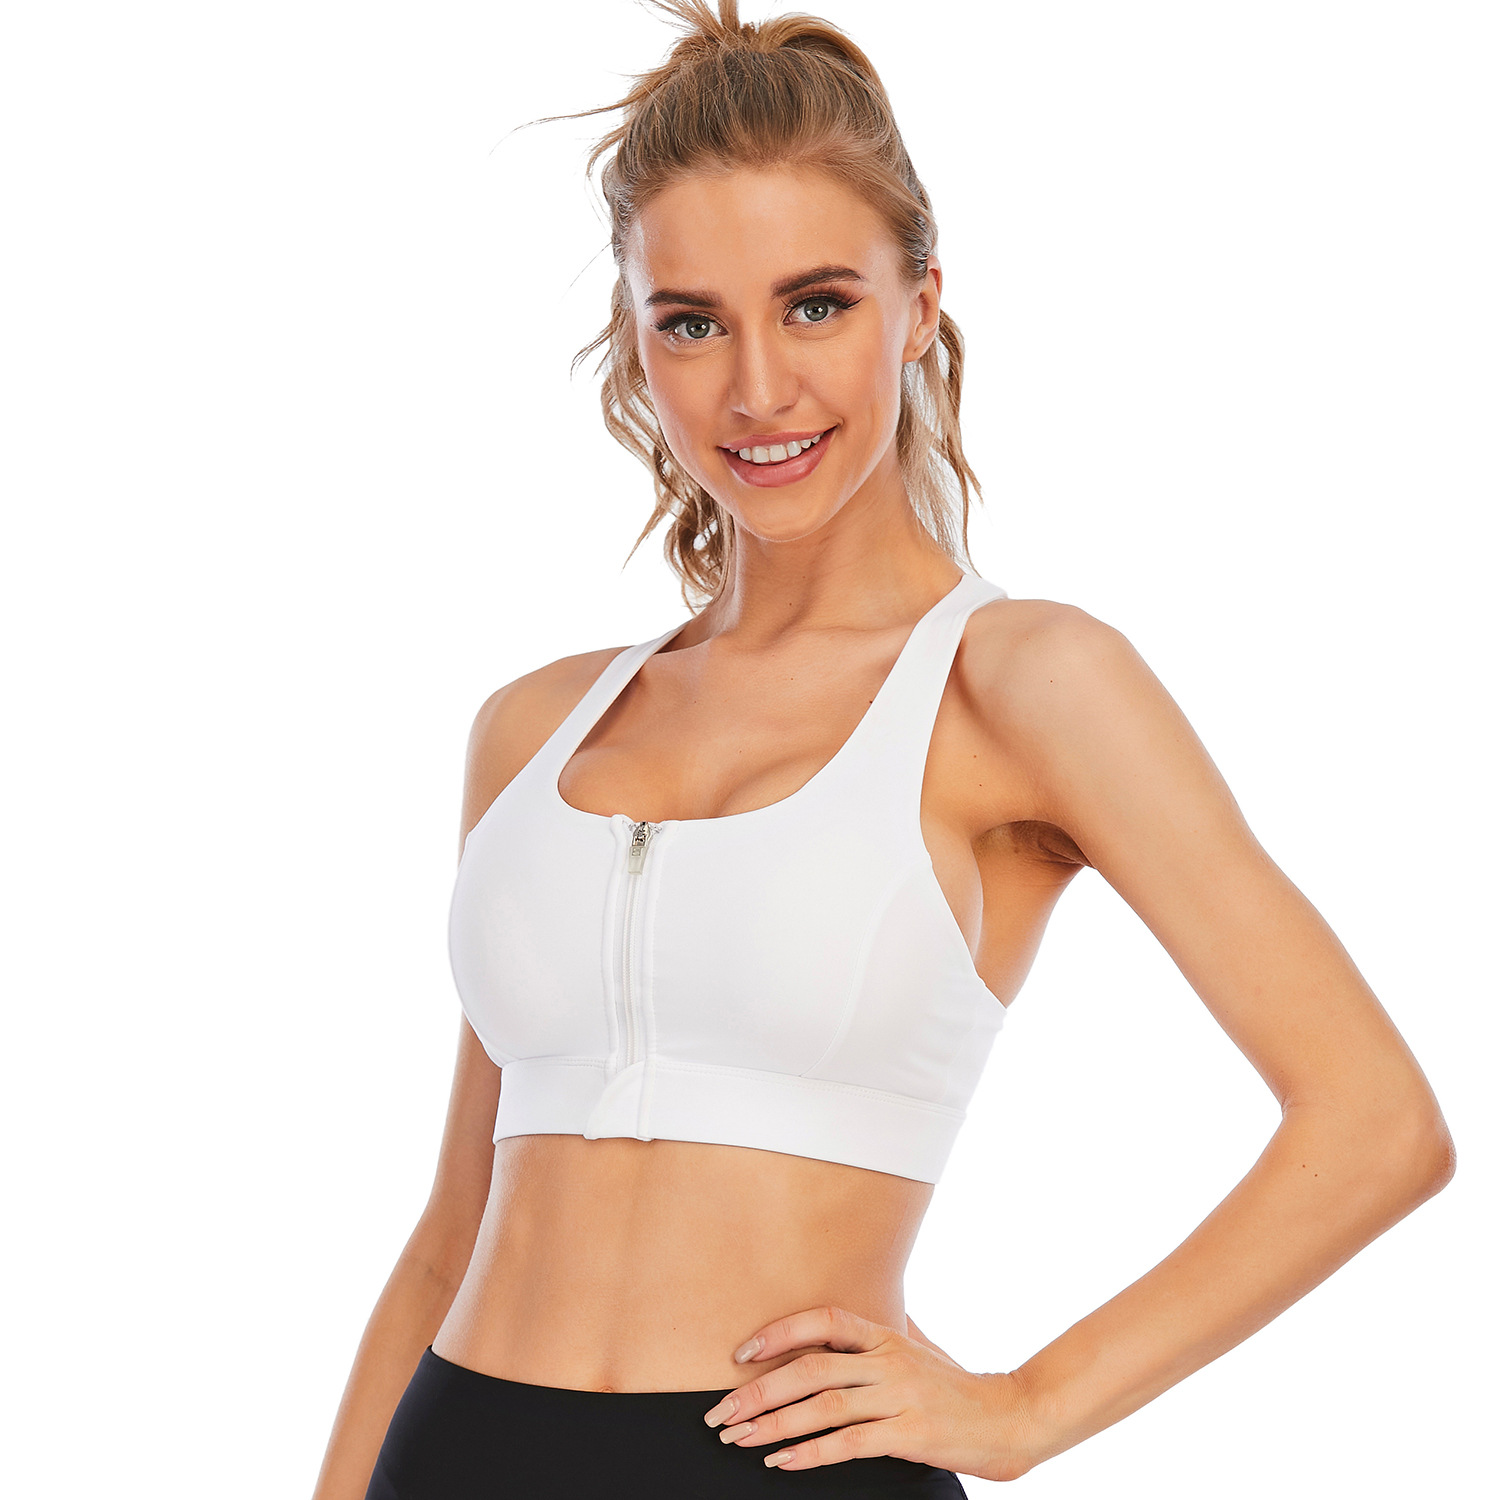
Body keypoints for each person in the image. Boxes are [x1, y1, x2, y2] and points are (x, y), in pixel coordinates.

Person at [313, 3, 1456, 1495]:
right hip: (459, 1450)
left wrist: (1027, 1409)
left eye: (817, 305)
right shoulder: (536, 727)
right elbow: (445, 1239)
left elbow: (1377, 1127)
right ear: (636, 337)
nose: (758, 390)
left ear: (920, 306)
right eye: (692, 321)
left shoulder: (1021, 684)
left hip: (785, 1468)